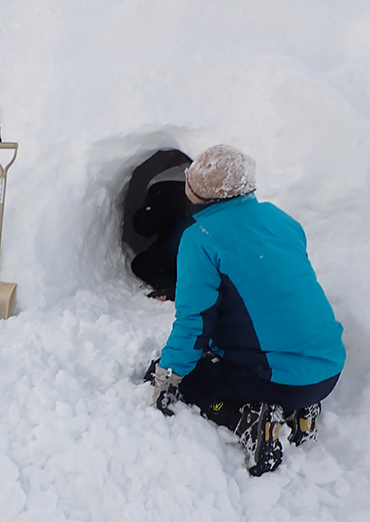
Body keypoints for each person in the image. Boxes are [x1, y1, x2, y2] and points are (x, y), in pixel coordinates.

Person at [147, 144, 345, 476]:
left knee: (186, 377)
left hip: (277, 378)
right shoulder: (282, 220)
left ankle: (245, 418)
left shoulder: (200, 237)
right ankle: (300, 410)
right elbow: (266, 290)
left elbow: (194, 322)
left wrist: (166, 376)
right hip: (327, 370)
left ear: (196, 191)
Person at [130, 163, 194, 300]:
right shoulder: (197, 184)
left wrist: (143, 214)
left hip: (174, 248)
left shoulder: (163, 187)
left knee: (141, 265)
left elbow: (146, 226)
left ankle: (174, 287)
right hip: (201, 249)